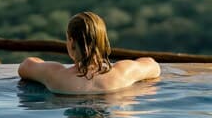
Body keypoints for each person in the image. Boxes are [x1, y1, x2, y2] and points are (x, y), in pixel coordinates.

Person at [18, 11, 160, 94]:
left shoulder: (55, 75)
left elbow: (25, 66)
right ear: (103, 40)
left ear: (71, 42)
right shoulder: (123, 72)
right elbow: (153, 66)